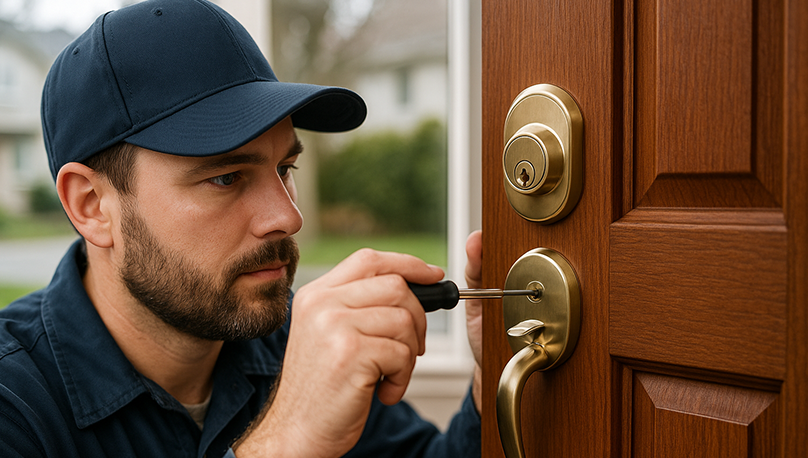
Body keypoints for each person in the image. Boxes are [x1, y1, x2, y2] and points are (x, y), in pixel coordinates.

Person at [0, 0, 484, 457]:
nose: (289, 218)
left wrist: (496, 378)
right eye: (226, 177)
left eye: (285, 168)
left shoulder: (294, 340)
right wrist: (286, 439)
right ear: (91, 206)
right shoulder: (15, 403)